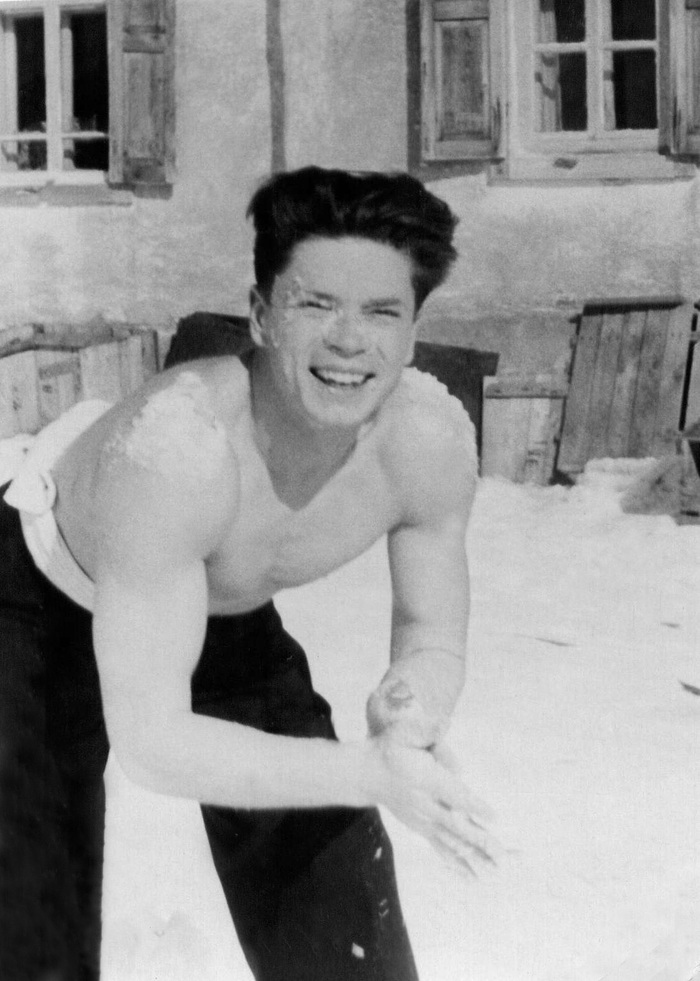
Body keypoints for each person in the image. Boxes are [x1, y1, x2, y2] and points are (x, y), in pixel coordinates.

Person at [0, 166, 497, 981]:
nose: (349, 341)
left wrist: (409, 708)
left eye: (381, 312)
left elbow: (430, 632)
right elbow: (154, 743)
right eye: (316, 304)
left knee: (343, 927)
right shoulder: (180, 451)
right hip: (31, 608)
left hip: (215, 610)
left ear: (413, 332)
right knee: (32, 942)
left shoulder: (429, 442)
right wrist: (364, 769)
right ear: (262, 315)